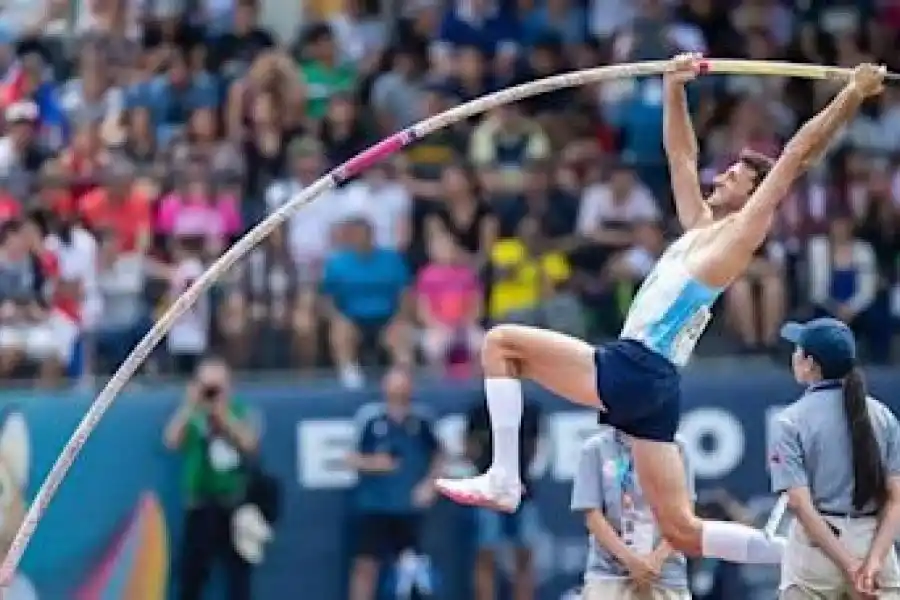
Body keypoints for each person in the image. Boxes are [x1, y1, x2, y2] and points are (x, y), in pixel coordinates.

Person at [435, 53, 887, 564]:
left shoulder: (737, 238)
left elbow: (799, 153)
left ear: (755, 195)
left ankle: (504, 477)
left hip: (637, 365)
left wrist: (851, 93)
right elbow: (682, 157)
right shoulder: (699, 230)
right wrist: (675, 89)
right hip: (658, 386)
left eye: (735, 177)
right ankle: (823, 559)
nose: (720, 178)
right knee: (683, 531)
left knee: (501, 343)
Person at [770, 317, 900, 599]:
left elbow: (800, 505)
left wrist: (847, 564)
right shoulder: (883, 416)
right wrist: (873, 561)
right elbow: (896, 500)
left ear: (810, 363)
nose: (794, 356)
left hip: (818, 551)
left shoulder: (790, 421)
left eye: (798, 351)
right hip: (875, 542)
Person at [163, 356, 261, 600]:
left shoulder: (241, 411)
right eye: (208, 386)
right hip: (199, 504)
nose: (212, 393)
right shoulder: (191, 412)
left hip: (233, 504)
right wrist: (190, 406)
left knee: (239, 580)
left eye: (218, 386)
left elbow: (250, 445)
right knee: (191, 579)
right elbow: (171, 441)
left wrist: (223, 415)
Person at [346, 368, 443, 600]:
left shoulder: (422, 420)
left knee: (411, 571)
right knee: (365, 567)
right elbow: (351, 458)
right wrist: (375, 463)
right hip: (375, 505)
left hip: (408, 507)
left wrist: (430, 485)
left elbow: (440, 455)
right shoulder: (369, 418)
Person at [571, 426, 694, 600]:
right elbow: (593, 517)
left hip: (665, 576)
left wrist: (655, 561)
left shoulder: (676, 447)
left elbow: (685, 516)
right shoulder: (596, 448)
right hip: (609, 575)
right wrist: (631, 561)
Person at [465, 393, 541, 600]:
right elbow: (470, 448)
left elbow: (533, 449)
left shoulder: (530, 408)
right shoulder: (479, 410)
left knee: (524, 556)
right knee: (486, 554)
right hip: (488, 492)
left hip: (521, 490)